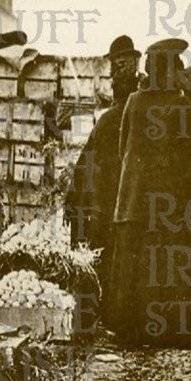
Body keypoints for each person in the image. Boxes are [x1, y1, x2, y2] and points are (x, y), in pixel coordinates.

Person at [105, 38, 191, 347]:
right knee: (163, 266)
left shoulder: (134, 101)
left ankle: (128, 330)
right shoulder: (181, 104)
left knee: (132, 268)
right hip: (166, 204)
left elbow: (123, 149)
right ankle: (166, 330)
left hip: (132, 201)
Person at [67, 35, 142, 285]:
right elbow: (86, 164)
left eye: (121, 66)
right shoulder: (108, 118)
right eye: (113, 68)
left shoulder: (125, 115)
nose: (115, 75)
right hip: (108, 208)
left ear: (135, 65)